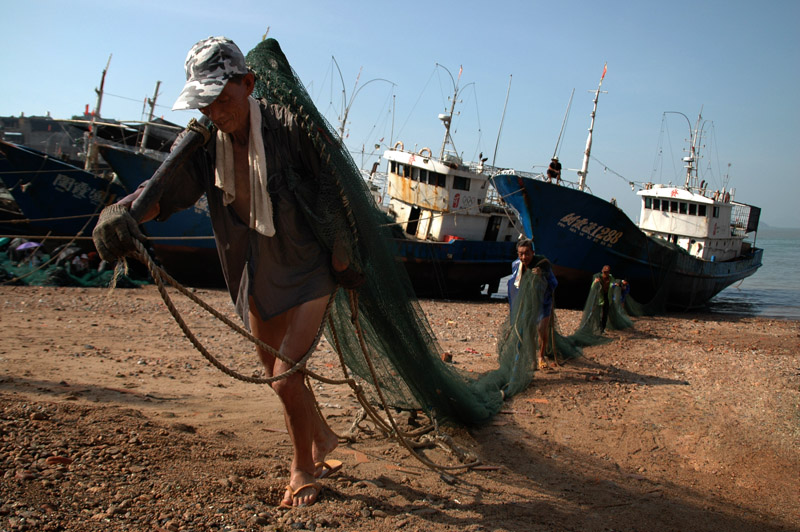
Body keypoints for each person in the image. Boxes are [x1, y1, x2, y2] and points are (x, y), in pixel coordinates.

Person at [92, 36, 355, 508]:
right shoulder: (203, 143)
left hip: (309, 264)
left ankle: (302, 467)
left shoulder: (291, 129)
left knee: (284, 376)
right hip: (253, 265)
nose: (214, 110)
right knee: (271, 366)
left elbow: (335, 193)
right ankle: (324, 437)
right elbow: (164, 195)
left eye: (222, 98)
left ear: (248, 84)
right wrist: (124, 214)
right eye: (204, 101)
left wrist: (344, 259)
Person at [507, 239, 557, 369]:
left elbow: (554, 283)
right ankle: (533, 360)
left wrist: (541, 276)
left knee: (541, 330)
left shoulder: (543, 264)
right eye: (521, 254)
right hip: (527, 304)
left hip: (543, 303)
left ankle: (541, 356)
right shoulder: (516, 265)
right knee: (528, 332)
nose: (524, 257)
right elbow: (513, 286)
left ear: (533, 252)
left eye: (527, 253)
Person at [592, 264, 614, 333]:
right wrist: (595, 282)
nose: (606, 273)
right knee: (597, 313)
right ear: (602, 271)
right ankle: (597, 326)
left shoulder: (611, 278)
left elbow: (612, 285)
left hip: (607, 297)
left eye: (607, 272)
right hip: (599, 298)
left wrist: (614, 285)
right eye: (605, 272)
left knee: (605, 314)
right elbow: (592, 288)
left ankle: (602, 328)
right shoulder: (599, 278)